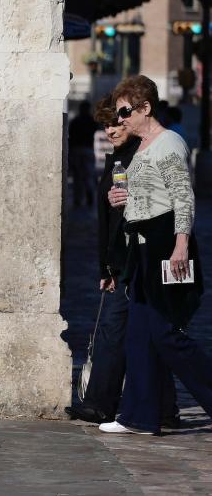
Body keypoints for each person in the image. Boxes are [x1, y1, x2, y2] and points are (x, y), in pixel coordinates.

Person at [102, 74, 210, 435]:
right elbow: (147, 197)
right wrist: (121, 199)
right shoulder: (142, 148)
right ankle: (138, 416)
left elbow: (182, 196)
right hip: (143, 249)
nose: (121, 120)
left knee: (166, 333)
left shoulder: (169, 144)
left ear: (146, 108)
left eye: (126, 112)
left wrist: (181, 244)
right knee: (139, 335)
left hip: (166, 245)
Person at [65, 94, 179, 427]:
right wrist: (105, 266)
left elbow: (163, 205)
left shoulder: (140, 157)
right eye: (106, 124)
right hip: (124, 261)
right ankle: (161, 408)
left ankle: (103, 403)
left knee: (123, 331)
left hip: (137, 259)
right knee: (137, 333)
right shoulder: (117, 158)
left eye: (116, 123)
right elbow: (106, 220)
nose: (111, 130)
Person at [69, 100, 97, 207]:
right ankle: (90, 196)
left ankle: (78, 200)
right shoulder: (91, 121)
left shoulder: (75, 121)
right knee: (88, 175)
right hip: (88, 150)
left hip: (76, 151)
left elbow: (70, 138)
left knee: (77, 177)